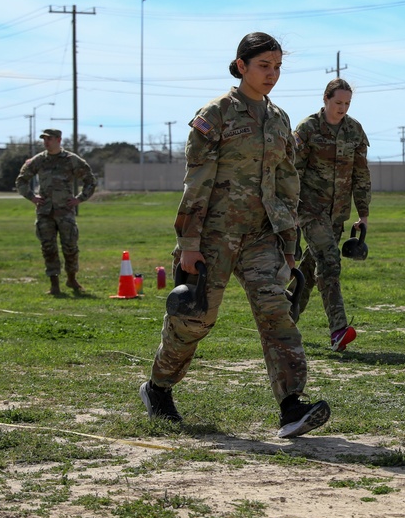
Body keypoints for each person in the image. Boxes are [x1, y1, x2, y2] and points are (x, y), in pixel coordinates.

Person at [139, 32, 330, 438]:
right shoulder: (217, 114)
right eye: (264, 66)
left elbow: (287, 183)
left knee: (276, 313)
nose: (272, 74)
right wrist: (188, 244)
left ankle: (291, 406)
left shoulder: (279, 119)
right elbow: (196, 182)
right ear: (241, 65)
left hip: (263, 235)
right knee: (195, 320)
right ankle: (158, 388)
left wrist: (290, 245)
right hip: (214, 236)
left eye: (278, 67)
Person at [291, 78, 371, 352]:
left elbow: (361, 174)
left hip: (337, 214)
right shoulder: (308, 128)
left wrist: (364, 214)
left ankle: (284, 319)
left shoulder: (354, 130)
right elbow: (292, 171)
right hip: (309, 209)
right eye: (338, 102)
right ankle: (338, 329)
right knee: (329, 262)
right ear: (325, 99)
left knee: (312, 269)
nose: (343, 108)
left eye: (347, 103)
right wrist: (290, 211)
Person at [14, 128, 97, 295]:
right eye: (44, 139)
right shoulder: (38, 161)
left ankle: (72, 278)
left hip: (65, 211)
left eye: (49, 139)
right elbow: (21, 180)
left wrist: (79, 199)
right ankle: (54, 283)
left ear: (58, 140)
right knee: (48, 247)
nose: (46, 142)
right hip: (45, 212)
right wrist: (32, 197)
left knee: (70, 246)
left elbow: (90, 180)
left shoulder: (71, 160)